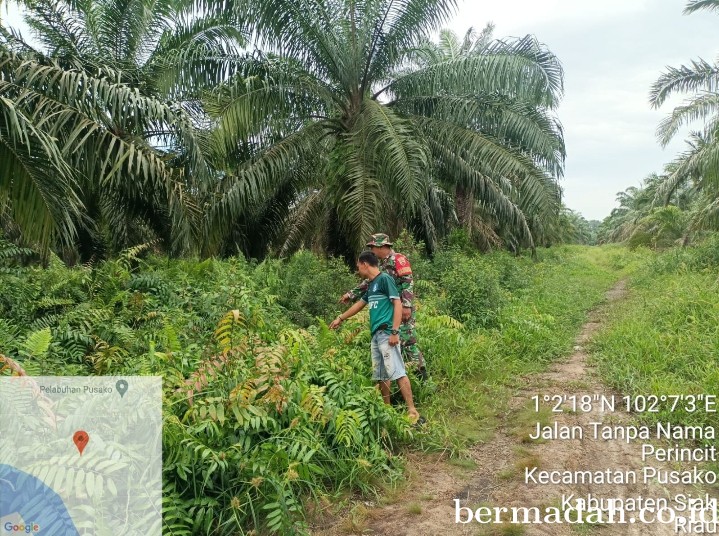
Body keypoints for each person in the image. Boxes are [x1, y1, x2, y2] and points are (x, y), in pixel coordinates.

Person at [330, 251, 421, 423]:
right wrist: (340, 318)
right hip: (376, 335)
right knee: (382, 375)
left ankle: (412, 410)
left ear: (365, 264)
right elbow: (359, 304)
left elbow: (397, 304)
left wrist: (394, 332)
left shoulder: (385, 279)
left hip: (387, 333)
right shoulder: (371, 285)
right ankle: (386, 410)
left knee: (398, 371)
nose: (358, 269)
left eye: (358, 266)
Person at [340, 233, 427, 380]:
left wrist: (406, 306)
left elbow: (408, 281)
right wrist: (351, 294)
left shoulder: (398, 259)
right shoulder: (382, 265)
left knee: (408, 341)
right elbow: (369, 282)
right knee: (396, 344)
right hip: (390, 310)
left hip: (402, 309)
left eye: (373, 247)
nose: (372, 250)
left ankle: (422, 377)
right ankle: (403, 376)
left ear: (382, 246)